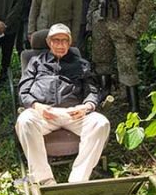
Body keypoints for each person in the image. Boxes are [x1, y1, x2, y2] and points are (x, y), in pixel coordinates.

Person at [15, 23, 110, 185]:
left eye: (64, 40)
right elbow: (23, 91)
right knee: (25, 120)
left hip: (73, 114)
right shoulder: (36, 62)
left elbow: (93, 91)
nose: (60, 44)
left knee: (101, 123)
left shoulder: (81, 64)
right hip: (44, 113)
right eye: (56, 40)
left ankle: (78, 180)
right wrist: (37, 106)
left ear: (70, 42)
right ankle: (45, 180)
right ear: (48, 42)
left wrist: (86, 107)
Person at [88, 0, 156, 113]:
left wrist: (135, 28)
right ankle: (106, 96)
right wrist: (91, 19)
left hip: (124, 24)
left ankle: (134, 108)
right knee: (102, 61)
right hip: (102, 21)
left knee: (127, 67)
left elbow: (146, 2)